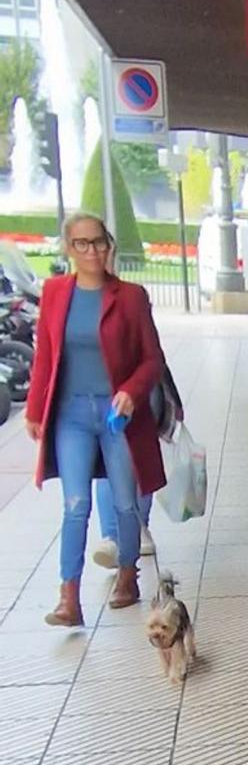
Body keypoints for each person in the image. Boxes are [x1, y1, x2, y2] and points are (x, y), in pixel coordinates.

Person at [25, 211, 167, 626]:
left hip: (116, 416)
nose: (93, 251)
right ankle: (69, 598)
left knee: (125, 501)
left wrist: (130, 392)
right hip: (70, 414)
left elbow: (151, 359)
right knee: (75, 503)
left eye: (100, 242)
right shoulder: (54, 293)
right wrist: (35, 410)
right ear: (69, 248)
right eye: (83, 244)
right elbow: (45, 357)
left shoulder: (130, 296)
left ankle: (128, 573)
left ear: (109, 245)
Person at [93, 362, 183, 567]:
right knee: (109, 461)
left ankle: (137, 526)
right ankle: (112, 535)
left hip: (141, 383)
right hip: (103, 385)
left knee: (139, 456)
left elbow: (150, 350)